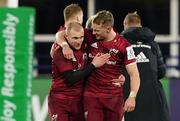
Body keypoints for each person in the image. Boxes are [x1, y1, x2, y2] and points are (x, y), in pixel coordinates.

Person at [82, 10, 140, 121]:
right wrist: (64, 45)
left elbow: (134, 74)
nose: (93, 33)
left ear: (108, 29)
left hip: (114, 99)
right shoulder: (90, 36)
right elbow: (64, 33)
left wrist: (132, 96)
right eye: (93, 29)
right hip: (92, 97)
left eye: (97, 30)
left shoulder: (124, 46)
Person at [48, 22, 111, 121]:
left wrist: (121, 74)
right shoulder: (60, 52)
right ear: (66, 36)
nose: (79, 41)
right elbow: (71, 78)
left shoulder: (84, 46)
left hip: (79, 101)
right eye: (75, 38)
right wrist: (93, 65)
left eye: (81, 37)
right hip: (60, 101)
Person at [121, 12, 170, 121]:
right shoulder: (153, 44)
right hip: (153, 96)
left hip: (129, 96)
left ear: (125, 23)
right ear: (140, 24)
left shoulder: (121, 43)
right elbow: (162, 72)